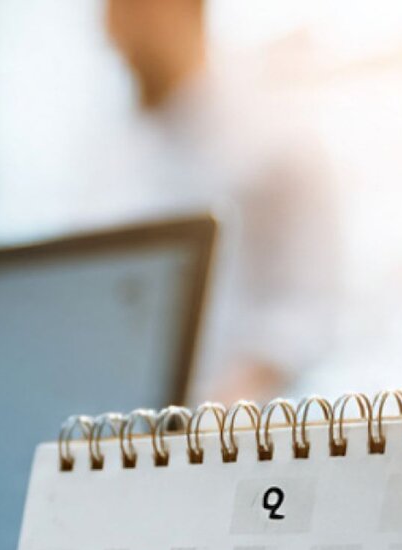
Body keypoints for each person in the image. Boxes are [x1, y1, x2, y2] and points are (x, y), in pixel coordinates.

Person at [95, 0, 343, 403]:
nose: (109, 34)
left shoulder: (278, 135)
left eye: (125, 11)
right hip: (128, 425)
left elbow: (311, 307)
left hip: (239, 431)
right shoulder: (112, 152)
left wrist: (231, 400)